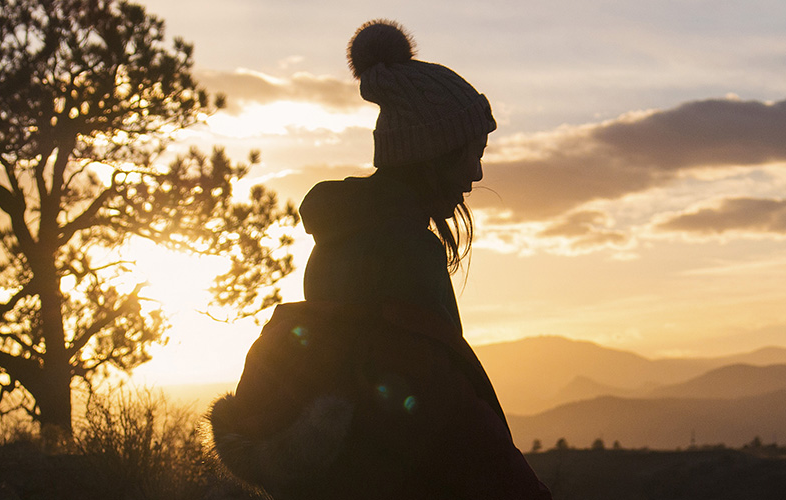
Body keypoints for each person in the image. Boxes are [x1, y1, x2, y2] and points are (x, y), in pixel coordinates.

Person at [210, 19, 552, 500]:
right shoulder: (408, 252)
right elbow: (443, 407)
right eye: (470, 154)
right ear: (430, 155)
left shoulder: (342, 237)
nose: (476, 173)